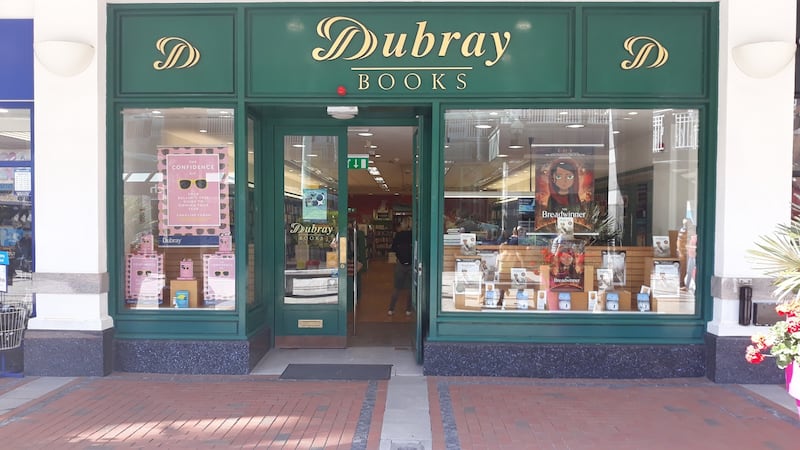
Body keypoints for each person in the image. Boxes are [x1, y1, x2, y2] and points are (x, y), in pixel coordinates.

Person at [388, 217, 413, 316]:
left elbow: (393, 248)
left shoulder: (398, 235)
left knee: (397, 287)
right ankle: (408, 309)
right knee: (411, 288)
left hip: (400, 263)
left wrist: (399, 255)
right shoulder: (413, 235)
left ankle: (391, 308)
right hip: (411, 263)